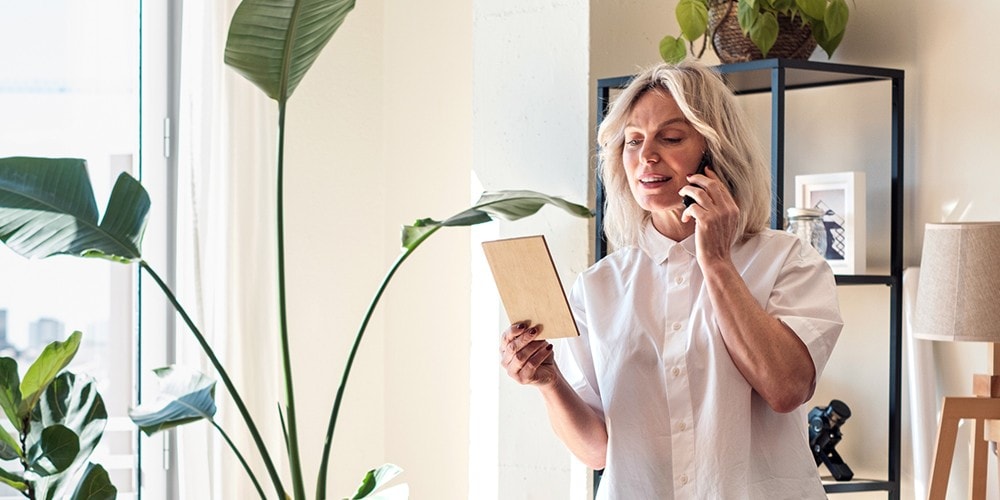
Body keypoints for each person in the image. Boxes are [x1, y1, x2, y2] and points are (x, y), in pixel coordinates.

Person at [499, 61, 843, 499]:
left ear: (715, 152)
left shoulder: (787, 261)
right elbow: (598, 451)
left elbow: (786, 388)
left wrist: (715, 260)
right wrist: (549, 381)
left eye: (672, 137)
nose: (646, 157)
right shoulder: (598, 286)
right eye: (633, 141)